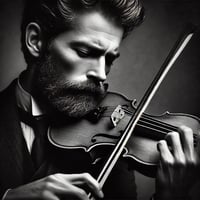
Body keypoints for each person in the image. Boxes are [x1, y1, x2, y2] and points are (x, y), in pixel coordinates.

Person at [0, 0, 199, 199]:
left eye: (109, 60)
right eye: (86, 52)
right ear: (36, 41)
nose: (102, 74)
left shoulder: (110, 143)